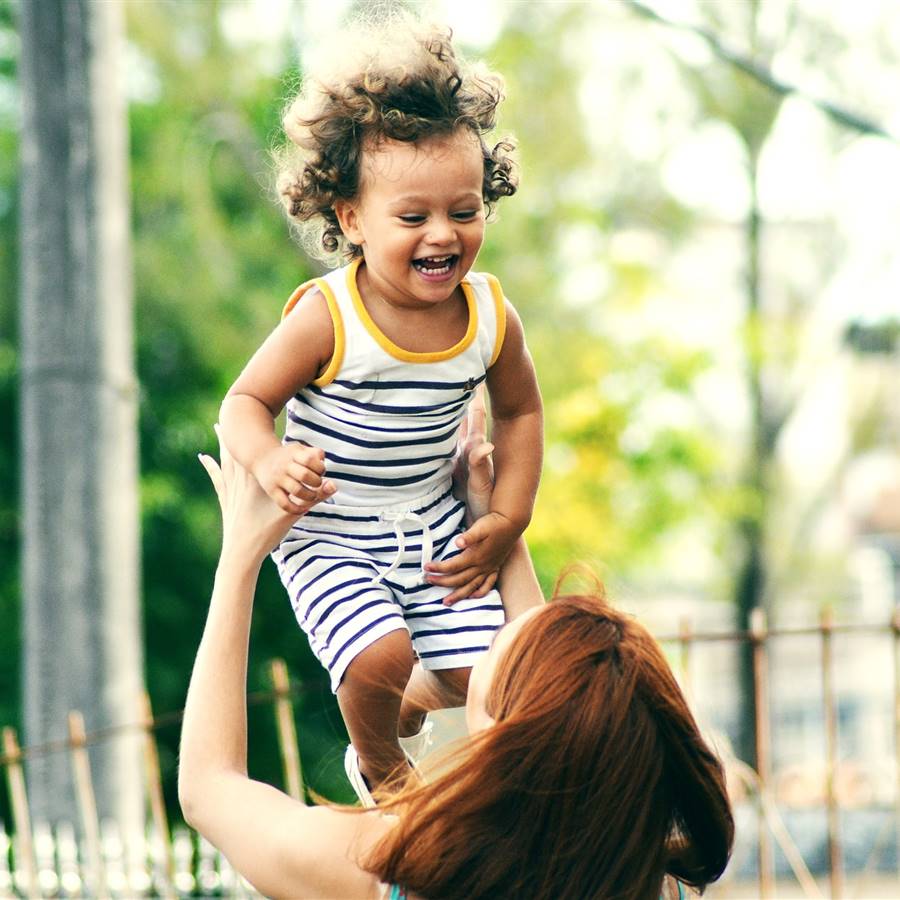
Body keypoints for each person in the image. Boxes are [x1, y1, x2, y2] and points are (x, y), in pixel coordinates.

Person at [180, 420, 734, 900]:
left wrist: (240, 557)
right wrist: (492, 524)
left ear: (501, 735)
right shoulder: (649, 881)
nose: (499, 628)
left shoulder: (389, 871)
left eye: (501, 644)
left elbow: (210, 790)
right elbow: (551, 704)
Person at [217, 16, 543, 802]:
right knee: (376, 658)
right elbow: (243, 402)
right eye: (413, 218)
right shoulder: (329, 317)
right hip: (331, 527)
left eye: (464, 211)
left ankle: (409, 702)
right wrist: (269, 459)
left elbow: (522, 415)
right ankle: (383, 772)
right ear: (352, 218)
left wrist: (507, 518)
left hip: (431, 521)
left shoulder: (491, 316)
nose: (443, 235)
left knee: (483, 676)